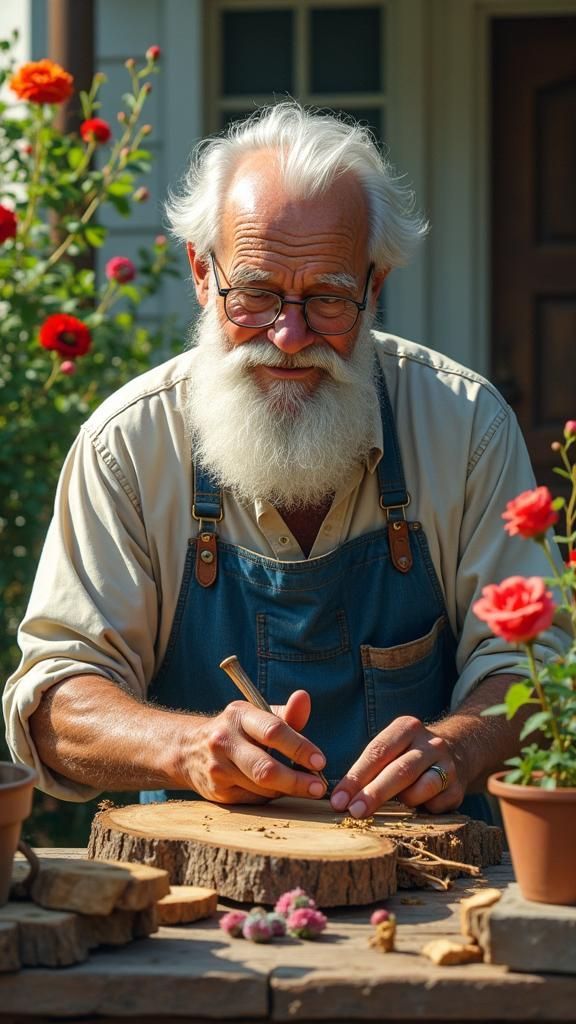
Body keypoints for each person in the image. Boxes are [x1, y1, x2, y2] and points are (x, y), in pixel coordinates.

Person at [3, 103, 568, 821]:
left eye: (328, 297)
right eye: (258, 293)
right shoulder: (128, 445)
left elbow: (536, 666)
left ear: (375, 286)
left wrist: (457, 746)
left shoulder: (465, 426)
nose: (289, 334)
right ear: (203, 275)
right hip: (202, 897)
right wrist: (185, 747)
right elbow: (54, 698)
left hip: (435, 882)